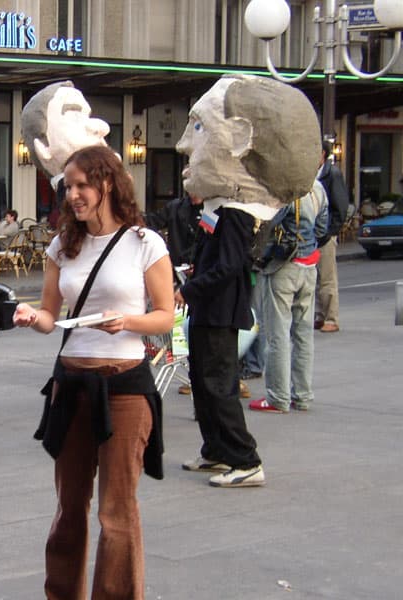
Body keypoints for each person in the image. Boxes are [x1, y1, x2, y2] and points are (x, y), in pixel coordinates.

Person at [13, 145, 174, 600]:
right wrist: (32, 316)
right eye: (68, 186)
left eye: (82, 185)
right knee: (69, 507)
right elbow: (51, 316)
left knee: (117, 512)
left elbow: (165, 315)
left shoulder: (144, 242)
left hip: (124, 387)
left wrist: (128, 321)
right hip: (71, 384)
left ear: (108, 184)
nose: (73, 195)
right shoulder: (62, 245)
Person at [174, 74, 322, 488]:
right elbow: (212, 258)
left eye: (199, 127)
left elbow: (228, 266)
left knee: (219, 384)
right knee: (202, 381)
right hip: (207, 308)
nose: (185, 144)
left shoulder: (240, 213)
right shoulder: (220, 207)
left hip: (221, 310)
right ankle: (215, 449)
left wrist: (188, 289)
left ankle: (245, 459)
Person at [249, 183, 329, 414]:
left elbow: (268, 222)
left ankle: (278, 397)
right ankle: (302, 395)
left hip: (284, 264)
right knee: (303, 334)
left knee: (278, 334)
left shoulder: (286, 187)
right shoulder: (317, 188)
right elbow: (322, 227)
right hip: (309, 264)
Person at [314, 142, 349, 333]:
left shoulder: (332, 174)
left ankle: (331, 318)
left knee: (327, 277)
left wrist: (330, 232)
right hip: (314, 232)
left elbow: (341, 206)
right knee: (317, 277)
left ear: (322, 153)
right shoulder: (315, 173)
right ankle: (320, 315)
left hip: (326, 233)